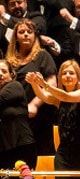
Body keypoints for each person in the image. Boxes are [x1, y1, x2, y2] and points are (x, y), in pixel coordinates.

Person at [26, 61, 80, 179]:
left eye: (71, 73)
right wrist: (34, 83)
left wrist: (45, 84)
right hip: (63, 152)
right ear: (60, 78)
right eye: (64, 73)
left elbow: (66, 96)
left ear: (78, 77)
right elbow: (44, 96)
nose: (67, 76)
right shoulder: (57, 98)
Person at [8, 19, 57, 157]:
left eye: (29, 32)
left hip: (39, 115)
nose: (25, 35)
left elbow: (52, 83)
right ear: (15, 37)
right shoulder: (9, 59)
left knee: (40, 154)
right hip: (15, 117)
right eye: (21, 32)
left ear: (34, 36)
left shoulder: (43, 55)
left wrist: (34, 104)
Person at [0, 58, 34, 172]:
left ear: (11, 74)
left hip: (21, 147)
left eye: (4, 71)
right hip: (5, 149)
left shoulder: (14, 86)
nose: (0, 74)